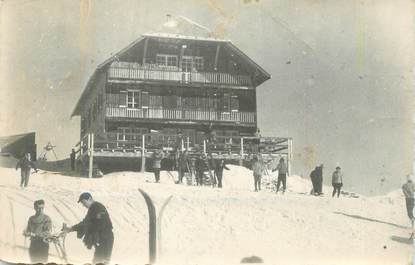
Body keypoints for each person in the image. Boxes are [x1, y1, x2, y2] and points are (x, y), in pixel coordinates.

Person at [64, 192, 114, 265]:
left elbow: (87, 223)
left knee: (101, 261)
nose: (83, 205)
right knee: (99, 261)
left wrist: (70, 229)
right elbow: (87, 222)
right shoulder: (94, 208)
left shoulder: (96, 207)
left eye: (84, 202)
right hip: (103, 238)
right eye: (82, 203)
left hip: (105, 238)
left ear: (90, 199)